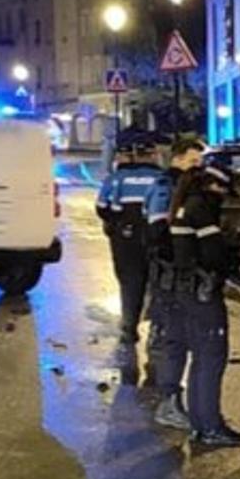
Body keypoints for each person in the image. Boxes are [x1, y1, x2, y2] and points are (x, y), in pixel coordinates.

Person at [170, 165, 240, 447]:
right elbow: (212, 254)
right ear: (214, 185)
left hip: (185, 290)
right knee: (212, 358)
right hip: (202, 293)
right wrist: (234, 253)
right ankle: (211, 426)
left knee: (200, 359)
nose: (224, 197)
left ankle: (200, 424)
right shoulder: (200, 209)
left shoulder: (183, 205)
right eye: (223, 191)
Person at [145, 135, 206, 430]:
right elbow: (158, 230)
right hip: (169, 275)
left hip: (178, 275)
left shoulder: (185, 186)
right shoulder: (165, 186)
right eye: (193, 161)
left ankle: (172, 401)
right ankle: (168, 403)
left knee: (178, 339)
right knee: (173, 340)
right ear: (178, 158)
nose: (198, 167)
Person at [98, 134, 165, 345]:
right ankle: (157, 329)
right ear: (154, 155)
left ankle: (129, 327)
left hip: (125, 239)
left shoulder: (117, 178)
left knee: (130, 283)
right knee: (158, 283)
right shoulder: (161, 178)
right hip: (155, 236)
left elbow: (101, 207)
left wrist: (114, 224)